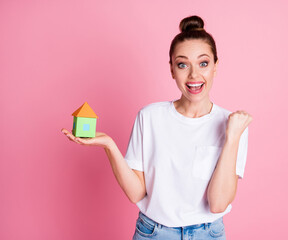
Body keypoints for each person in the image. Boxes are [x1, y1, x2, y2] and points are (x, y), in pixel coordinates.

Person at [61, 15, 252, 240]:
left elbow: (218, 203)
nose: (194, 75)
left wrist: (231, 139)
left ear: (215, 67)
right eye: (182, 64)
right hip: (153, 233)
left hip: (208, 234)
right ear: (172, 69)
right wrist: (109, 145)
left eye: (203, 63)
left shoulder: (234, 124)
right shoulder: (150, 117)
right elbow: (136, 193)